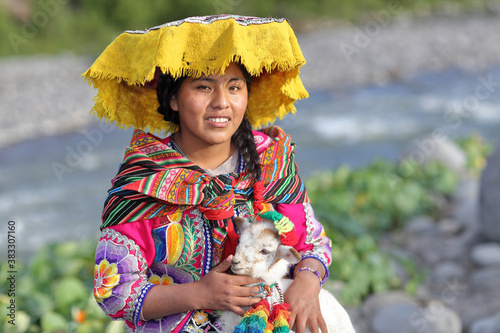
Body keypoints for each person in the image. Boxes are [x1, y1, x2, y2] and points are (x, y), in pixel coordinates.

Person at [85, 15, 333, 333]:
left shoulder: (271, 161)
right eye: (203, 87)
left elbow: (313, 242)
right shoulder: (145, 179)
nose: (221, 103)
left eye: (234, 87)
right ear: (172, 98)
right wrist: (200, 294)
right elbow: (114, 293)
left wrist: (308, 282)